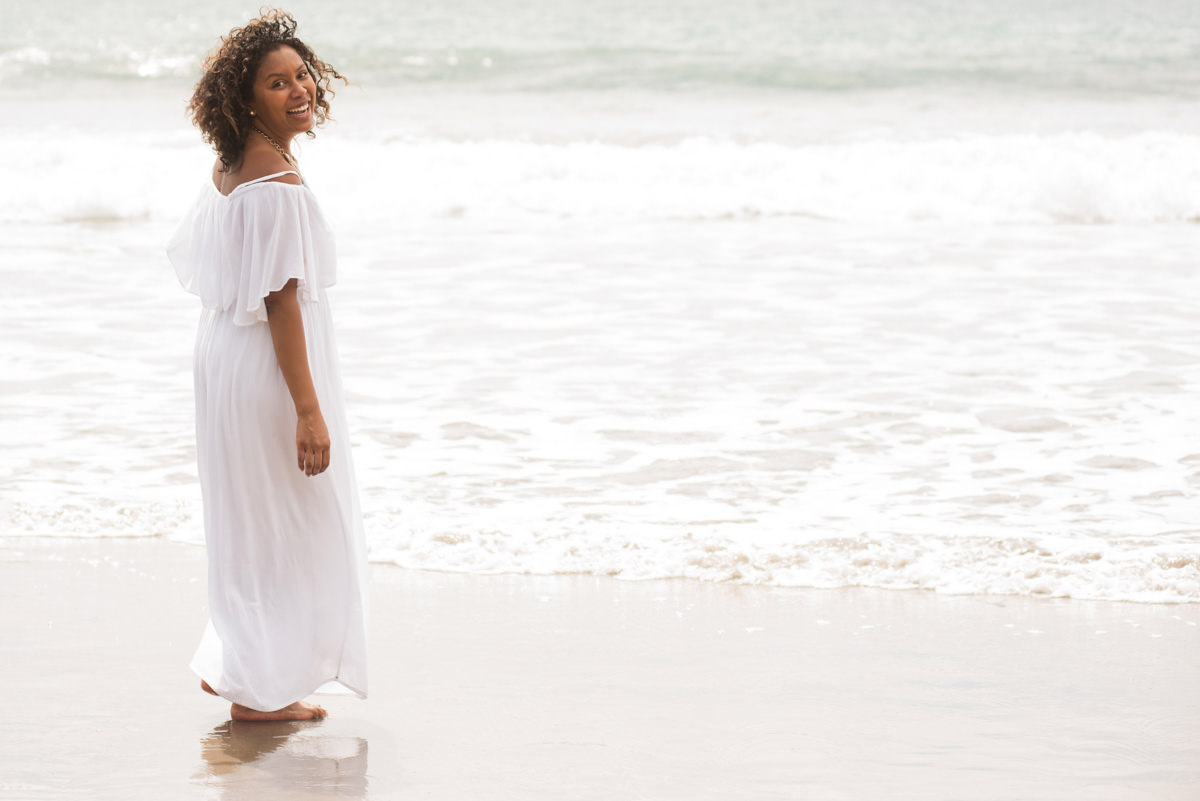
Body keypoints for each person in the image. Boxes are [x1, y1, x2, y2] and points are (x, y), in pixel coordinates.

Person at [167, 10, 367, 722]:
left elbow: (205, 265)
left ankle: (242, 664)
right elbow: (281, 300)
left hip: (223, 355)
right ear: (246, 98)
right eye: (276, 83)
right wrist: (309, 411)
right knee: (292, 519)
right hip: (265, 369)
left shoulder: (230, 163)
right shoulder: (276, 179)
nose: (298, 90)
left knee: (249, 517)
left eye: (301, 75)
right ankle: (258, 690)